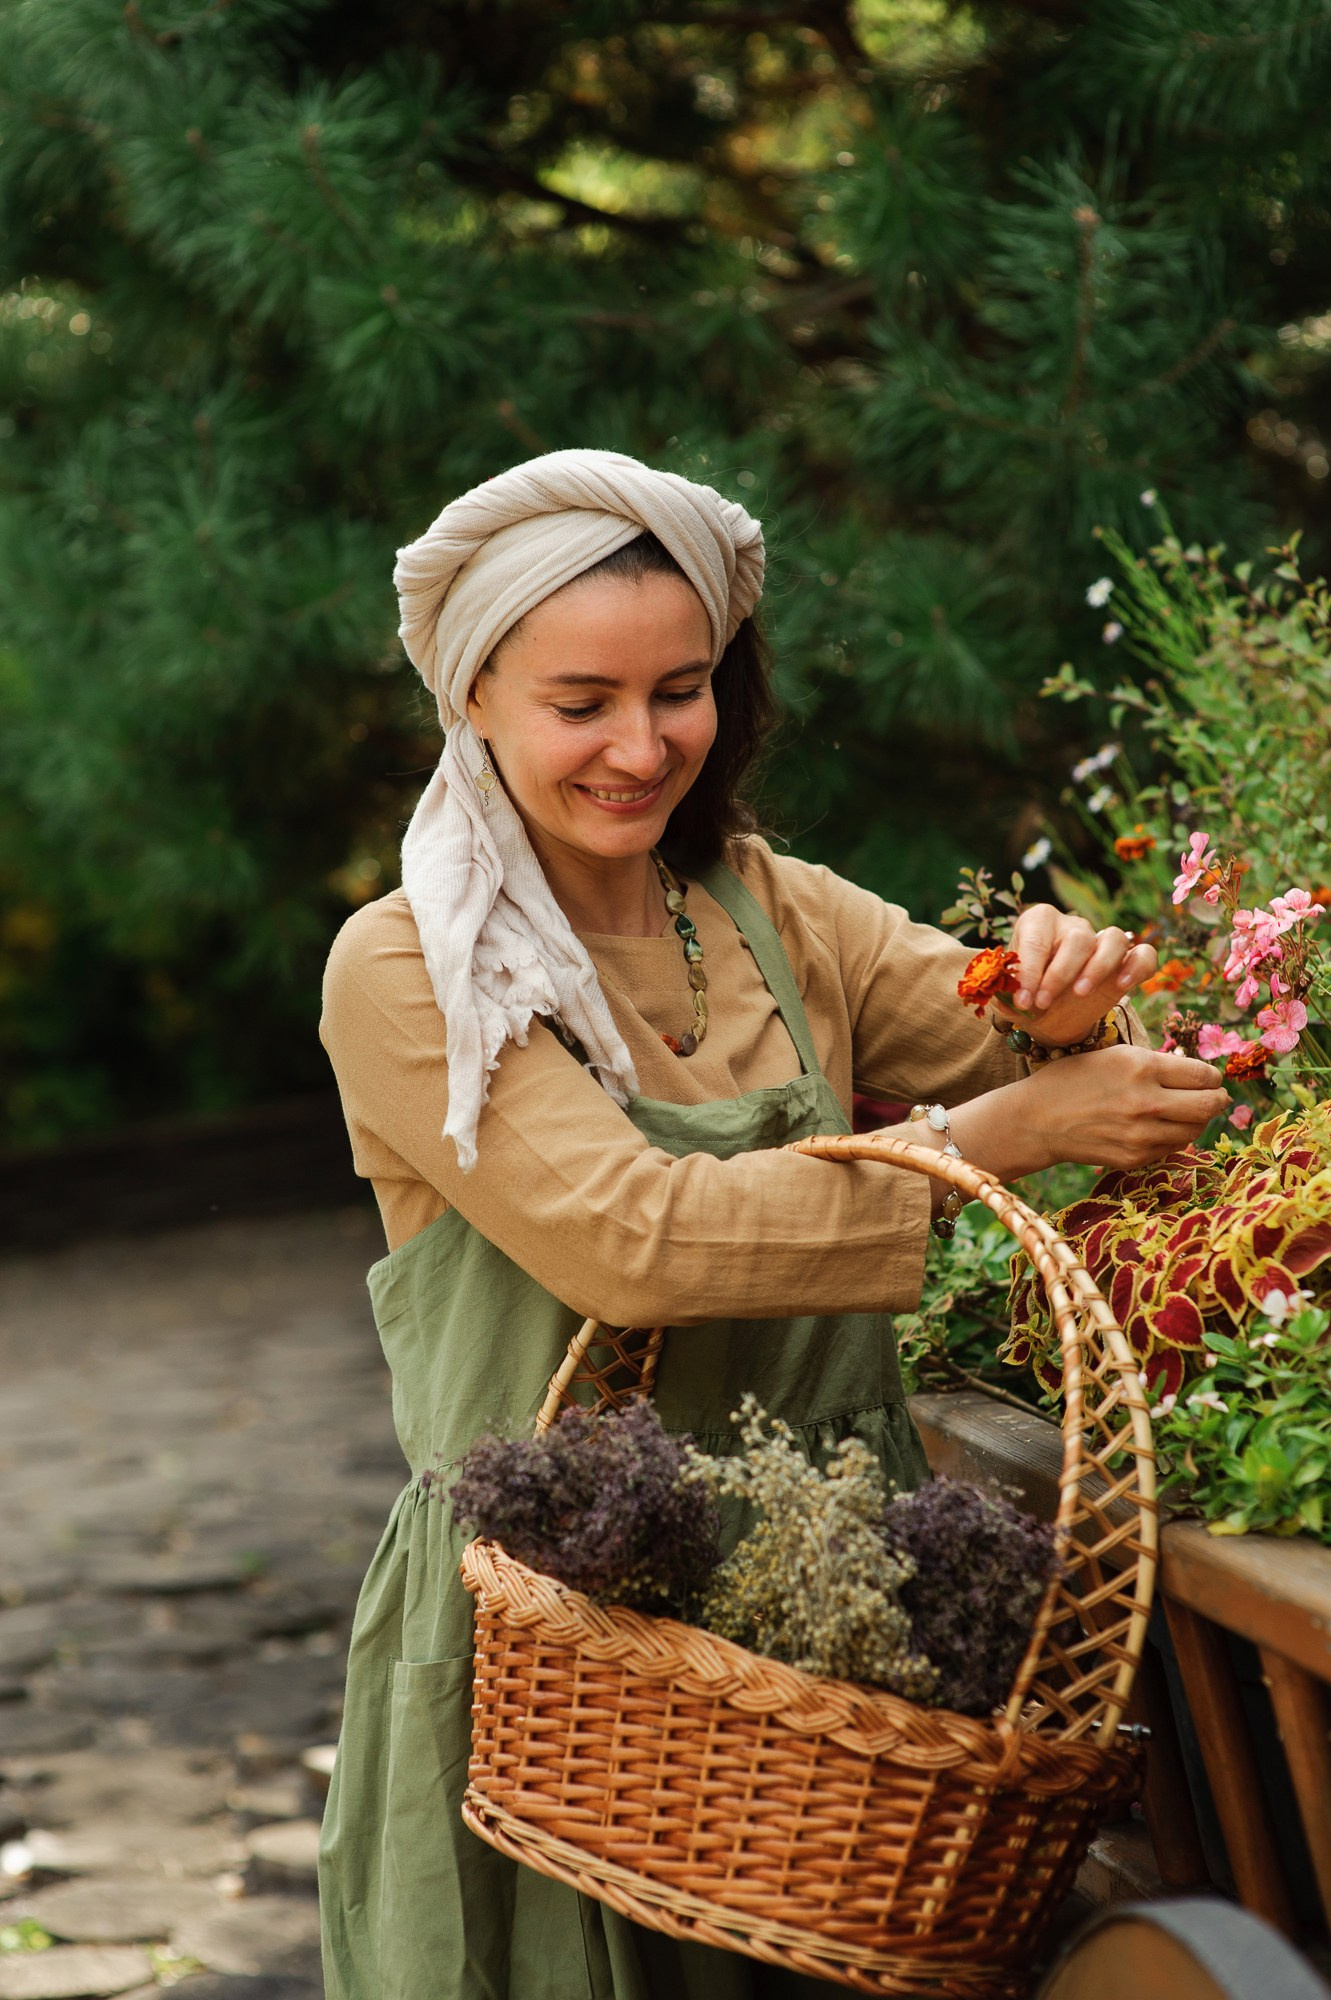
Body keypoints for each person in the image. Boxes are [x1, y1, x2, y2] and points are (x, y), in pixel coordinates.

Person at [317, 450, 1228, 2000]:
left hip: (829, 1639)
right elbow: (636, 1241)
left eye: (681, 691)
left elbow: (1010, 1034)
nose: (642, 746)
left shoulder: (766, 904)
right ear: (471, 695)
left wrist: (1068, 998)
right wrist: (996, 1138)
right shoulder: (414, 967)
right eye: (582, 702)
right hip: (560, 1645)